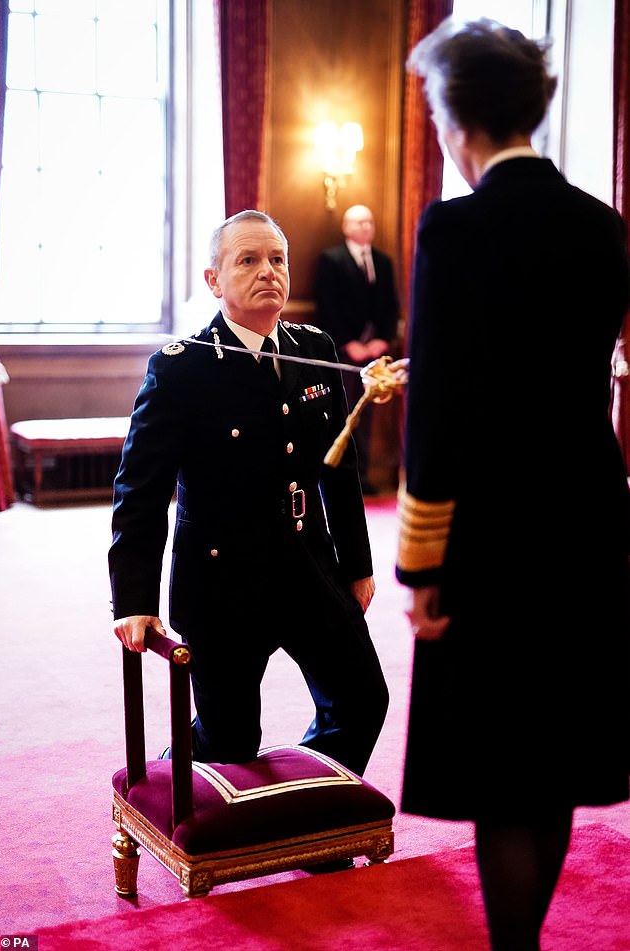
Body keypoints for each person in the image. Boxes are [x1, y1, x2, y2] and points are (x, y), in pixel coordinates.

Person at [396, 17, 630, 951]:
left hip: (493, 536)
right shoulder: (604, 227)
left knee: (505, 768)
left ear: (455, 122)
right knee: (557, 756)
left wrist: (422, 569)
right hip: (589, 521)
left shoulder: (454, 228)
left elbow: (437, 415)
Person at [110, 209, 389, 790]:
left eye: (278, 259)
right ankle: (167, 781)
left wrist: (357, 567)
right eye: (249, 260)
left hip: (308, 567)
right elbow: (139, 492)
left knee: (364, 700)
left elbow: (339, 471)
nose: (269, 272)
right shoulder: (179, 370)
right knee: (231, 743)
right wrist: (133, 599)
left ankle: (308, 810)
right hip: (221, 583)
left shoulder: (312, 348)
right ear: (214, 280)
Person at [314, 204, 400, 493]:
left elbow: (390, 305)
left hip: (374, 352)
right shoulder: (331, 259)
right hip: (344, 351)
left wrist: (382, 340)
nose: (366, 227)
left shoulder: (383, 261)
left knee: (368, 415)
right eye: (359, 222)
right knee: (344, 411)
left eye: (369, 222)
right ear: (346, 227)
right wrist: (349, 343)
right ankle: (343, 475)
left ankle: (363, 475)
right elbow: (327, 305)